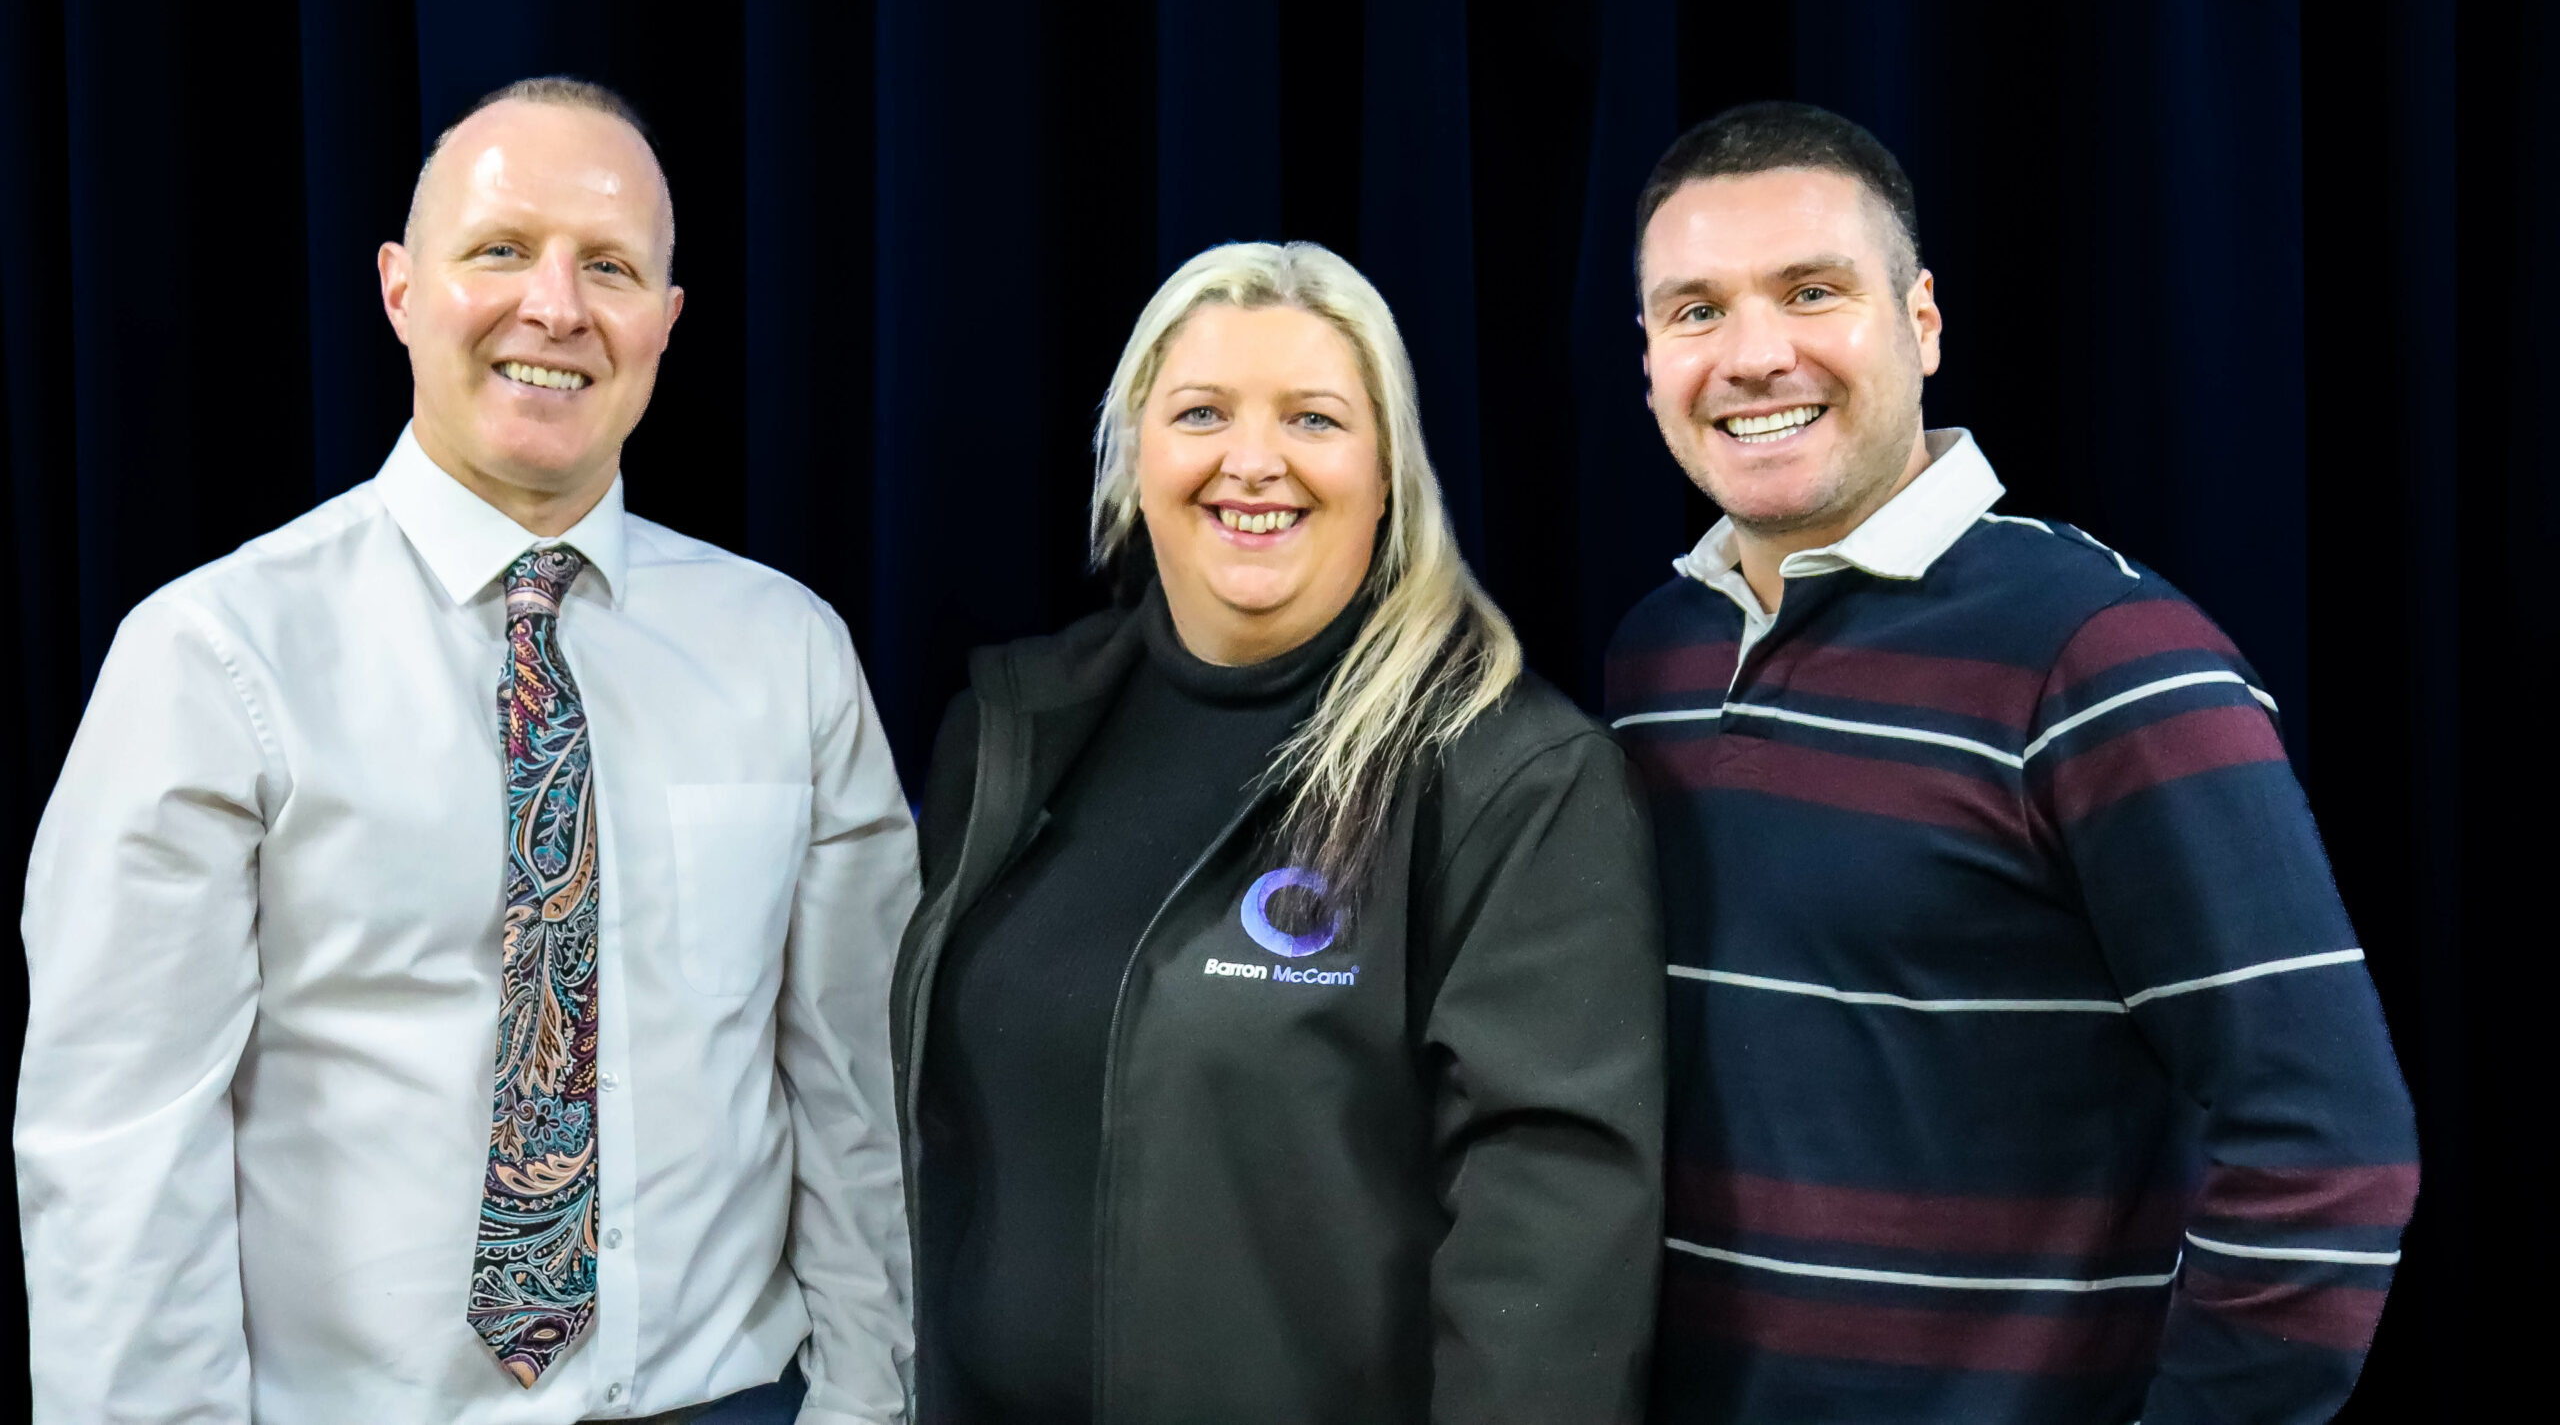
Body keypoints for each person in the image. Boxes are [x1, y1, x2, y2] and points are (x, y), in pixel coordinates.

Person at [16, 78, 917, 1424]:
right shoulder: (213, 660)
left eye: (609, 266)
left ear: (665, 324)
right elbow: (122, 1164)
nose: (554, 306)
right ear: (398, 288)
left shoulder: (788, 655)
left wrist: (863, 1400)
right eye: (500, 249)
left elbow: (859, 1101)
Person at [1606, 101, 2418, 1423]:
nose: (1754, 354)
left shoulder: (2105, 655)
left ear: (1920, 321)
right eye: (1696, 310)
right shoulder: (1657, 657)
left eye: (1812, 291)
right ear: (1647, 357)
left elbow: (2331, 1142)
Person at [890, 241, 1664, 1424]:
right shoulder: (1006, 732)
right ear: (1134, 452)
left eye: (1313, 418)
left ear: (1388, 469)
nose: (1253, 462)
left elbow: (1551, 1262)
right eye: (1201, 412)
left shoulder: (1510, 776)